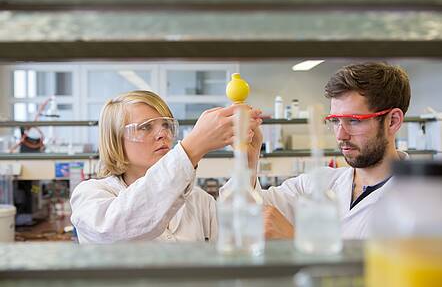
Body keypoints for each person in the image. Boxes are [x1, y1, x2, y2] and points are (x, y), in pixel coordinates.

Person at [240, 62, 411, 239]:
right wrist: (248, 162)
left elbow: (396, 265)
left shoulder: (421, 202)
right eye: (335, 121)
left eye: (354, 120)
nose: (340, 135)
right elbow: (246, 212)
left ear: (392, 121)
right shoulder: (316, 183)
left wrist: (295, 239)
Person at [70, 90, 262, 243]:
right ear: (115, 139)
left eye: (166, 126)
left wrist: (248, 163)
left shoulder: (198, 200)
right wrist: (192, 147)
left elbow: (238, 240)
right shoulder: (90, 195)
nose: (163, 134)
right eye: (146, 127)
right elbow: (119, 226)